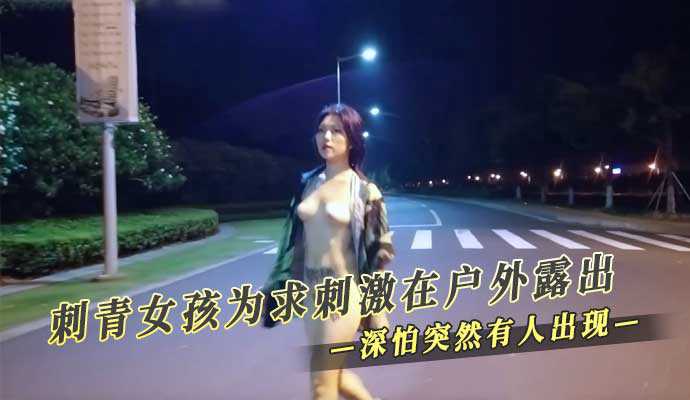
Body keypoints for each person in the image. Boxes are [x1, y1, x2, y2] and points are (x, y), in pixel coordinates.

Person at [262, 103, 395, 400]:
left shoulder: (365, 191)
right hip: (311, 295)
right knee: (334, 375)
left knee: (321, 386)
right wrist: (279, 286)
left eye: (336, 131)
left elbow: (377, 256)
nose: (327, 137)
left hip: (343, 296)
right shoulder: (306, 184)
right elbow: (289, 242)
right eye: (321, 130)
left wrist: (377, 310)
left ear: (352, 139)